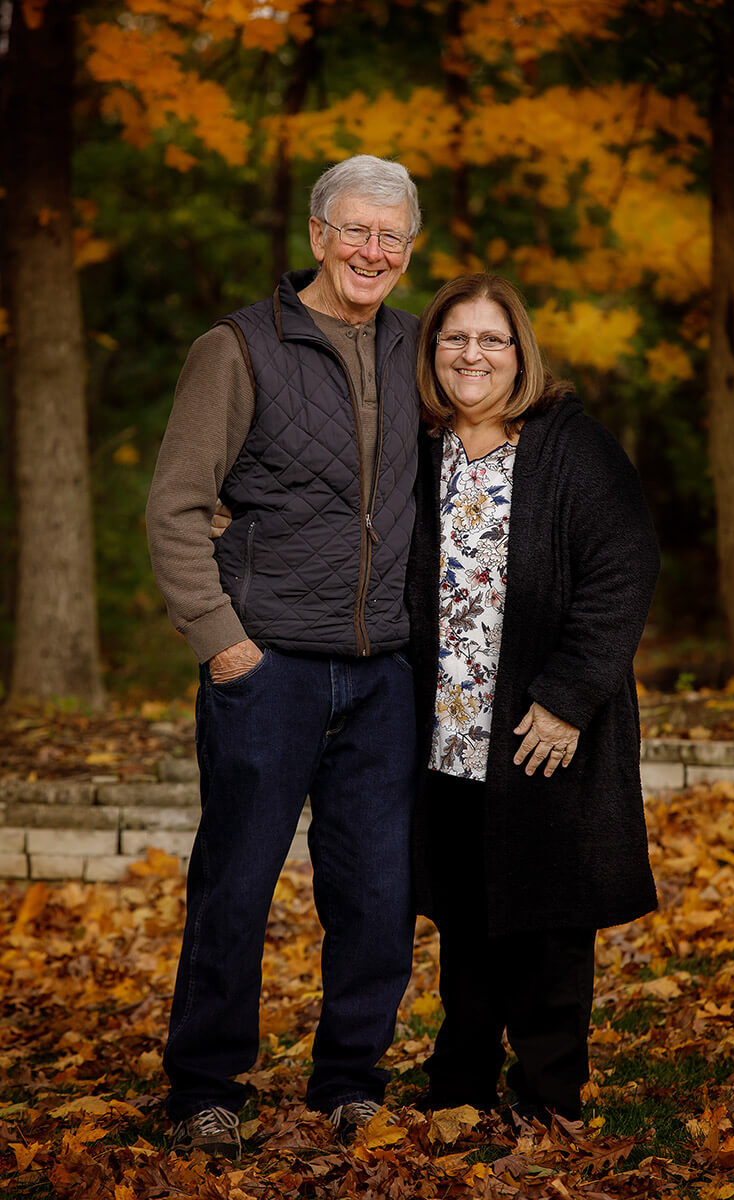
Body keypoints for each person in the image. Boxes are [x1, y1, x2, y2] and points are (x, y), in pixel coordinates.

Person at [146, 155, 422, 1157]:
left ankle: (350, 1079)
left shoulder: (415, 349)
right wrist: (224, 648)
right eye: (354, 230)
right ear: (315, 235)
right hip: (267, 672)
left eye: (390, 236)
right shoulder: (236, 349)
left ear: (409, 250)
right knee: (236, 881)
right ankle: (205, 1087)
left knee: (376, 891)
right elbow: (177, 506)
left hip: (382, 675)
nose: (370, 251)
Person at [405, 274, 660, 1126]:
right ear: (431, 351)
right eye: (454, 338)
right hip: (445, 732)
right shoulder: (419, 448)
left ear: (521, 353)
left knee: (549, 921)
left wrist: (566, 698)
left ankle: (550, 1095)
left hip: (537, 728)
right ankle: (462, 1083)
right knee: (466, 918)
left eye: (491, 340)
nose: (471, 355)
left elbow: (623, 573)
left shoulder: (571, 445)